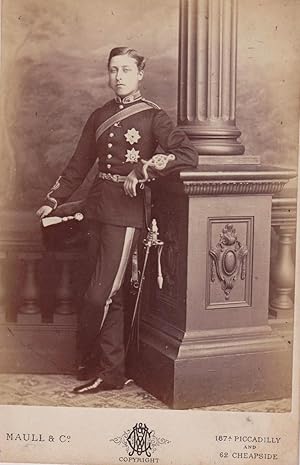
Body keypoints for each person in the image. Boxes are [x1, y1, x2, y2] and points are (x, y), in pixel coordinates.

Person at [36, 47, 198, 394]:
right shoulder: (99, 115)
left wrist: (145, 167)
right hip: (96, 208)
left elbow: (186, 153)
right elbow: (78, 165)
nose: (118, 77)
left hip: (126, 214)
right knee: (111, 294)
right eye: (113, 70)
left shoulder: (155, 117)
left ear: (141, 74)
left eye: (126, 70)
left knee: (100, 295)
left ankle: (88, 356)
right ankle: (111, 372)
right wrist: (53, 201)